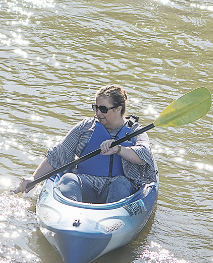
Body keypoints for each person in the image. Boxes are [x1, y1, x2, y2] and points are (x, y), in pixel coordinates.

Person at [14, 85, 157, 204]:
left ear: (118, 109)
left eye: (103, 109)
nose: (98, 112)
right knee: (68, 179)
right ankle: (71, 218)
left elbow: (144, 155)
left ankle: (109, 225)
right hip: (87, 183)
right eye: (95, 107)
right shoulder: (86, 127)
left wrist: (118, 149)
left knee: (121, 184)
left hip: (118, 189)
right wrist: (34, 178)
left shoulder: (135, 131)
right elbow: (60, 153)